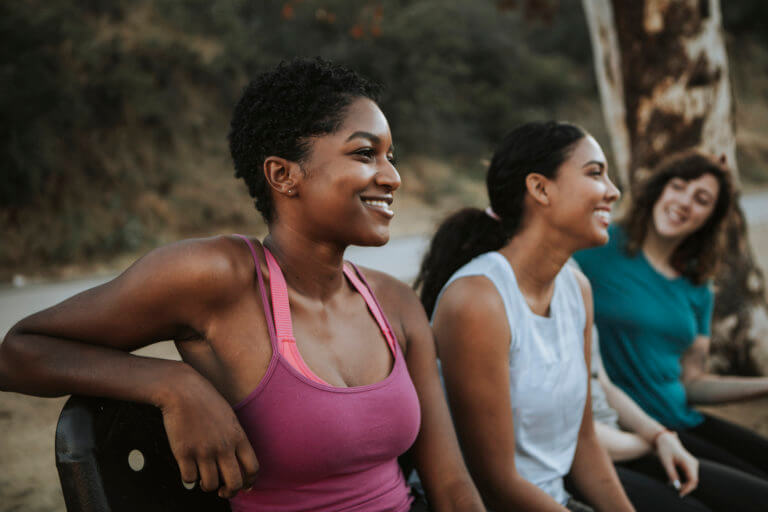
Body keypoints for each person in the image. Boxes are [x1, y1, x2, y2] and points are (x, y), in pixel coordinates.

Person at [0, 58, 485, 512]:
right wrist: (171, 382)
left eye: (390, 156)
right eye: (365, 153)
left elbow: (451, 486)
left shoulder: (394, 303)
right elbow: (19, 352)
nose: (393, 176)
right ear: (282, 175)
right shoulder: (218, 277)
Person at [415, 121, 634, 511]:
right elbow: (496, 482)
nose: (613, 191)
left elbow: (584, 443)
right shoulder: (478, 300)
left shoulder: (576, 289)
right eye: (595, 173)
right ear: (539, 188)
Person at [573, 150, 768, 510]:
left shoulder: (697, 285)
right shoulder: (597, 249)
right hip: (629, 425)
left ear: (711, 217)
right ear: (659, 191)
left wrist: (764, 386)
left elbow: (691, 382)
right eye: (678, 187)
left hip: (681, 417)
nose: (684, 202)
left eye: (702, 199)